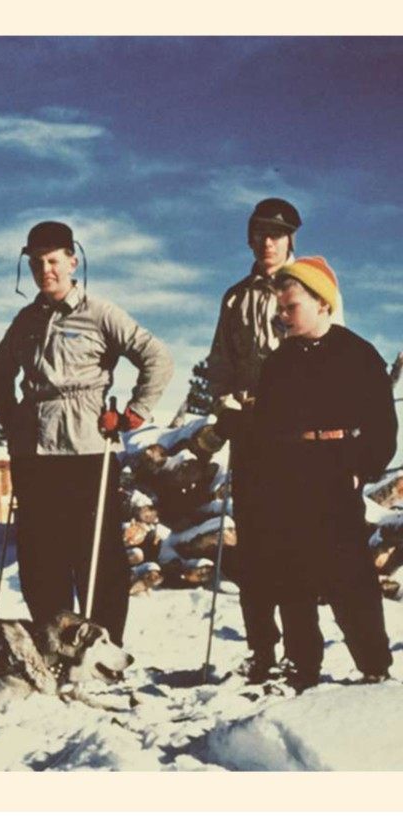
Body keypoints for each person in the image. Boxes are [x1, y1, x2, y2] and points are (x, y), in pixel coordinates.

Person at [0, 221, 173, 645]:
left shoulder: (100, 313)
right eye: (36, 263)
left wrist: (133, 414)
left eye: (53, 261)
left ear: (72, 261)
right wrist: (12, 418)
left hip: (87, 450)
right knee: (40, 559)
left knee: (97, 558)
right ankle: (55, 646)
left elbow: (157, 357)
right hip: (35, 455)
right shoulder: (26, 320)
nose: (45, 270)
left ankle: (103, 649)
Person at [203, 197, 337, 682]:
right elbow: (220, 365)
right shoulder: (235, 298)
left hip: (297, 437)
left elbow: (333, 355)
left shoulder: (312, 289)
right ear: (250, 238)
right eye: (260, 232)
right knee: (255, 548)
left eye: (277, 234)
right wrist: (227, 409)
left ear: (290, 240)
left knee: (295, 547)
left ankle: (304, 656)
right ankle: (261, 650)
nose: (267, 242)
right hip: (250, 435)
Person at [252, 257, 396, 690]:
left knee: (349, 574)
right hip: (287, 474)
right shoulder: (278, 363)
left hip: (336, 472)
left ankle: (374, 665)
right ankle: (303, 667)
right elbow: (264, 427)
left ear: (322, 304)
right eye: (280, 308)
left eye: (291, 307)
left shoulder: (358, 354)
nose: (283, 315)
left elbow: (383, 427)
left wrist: (360, 470)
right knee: (292, 574)